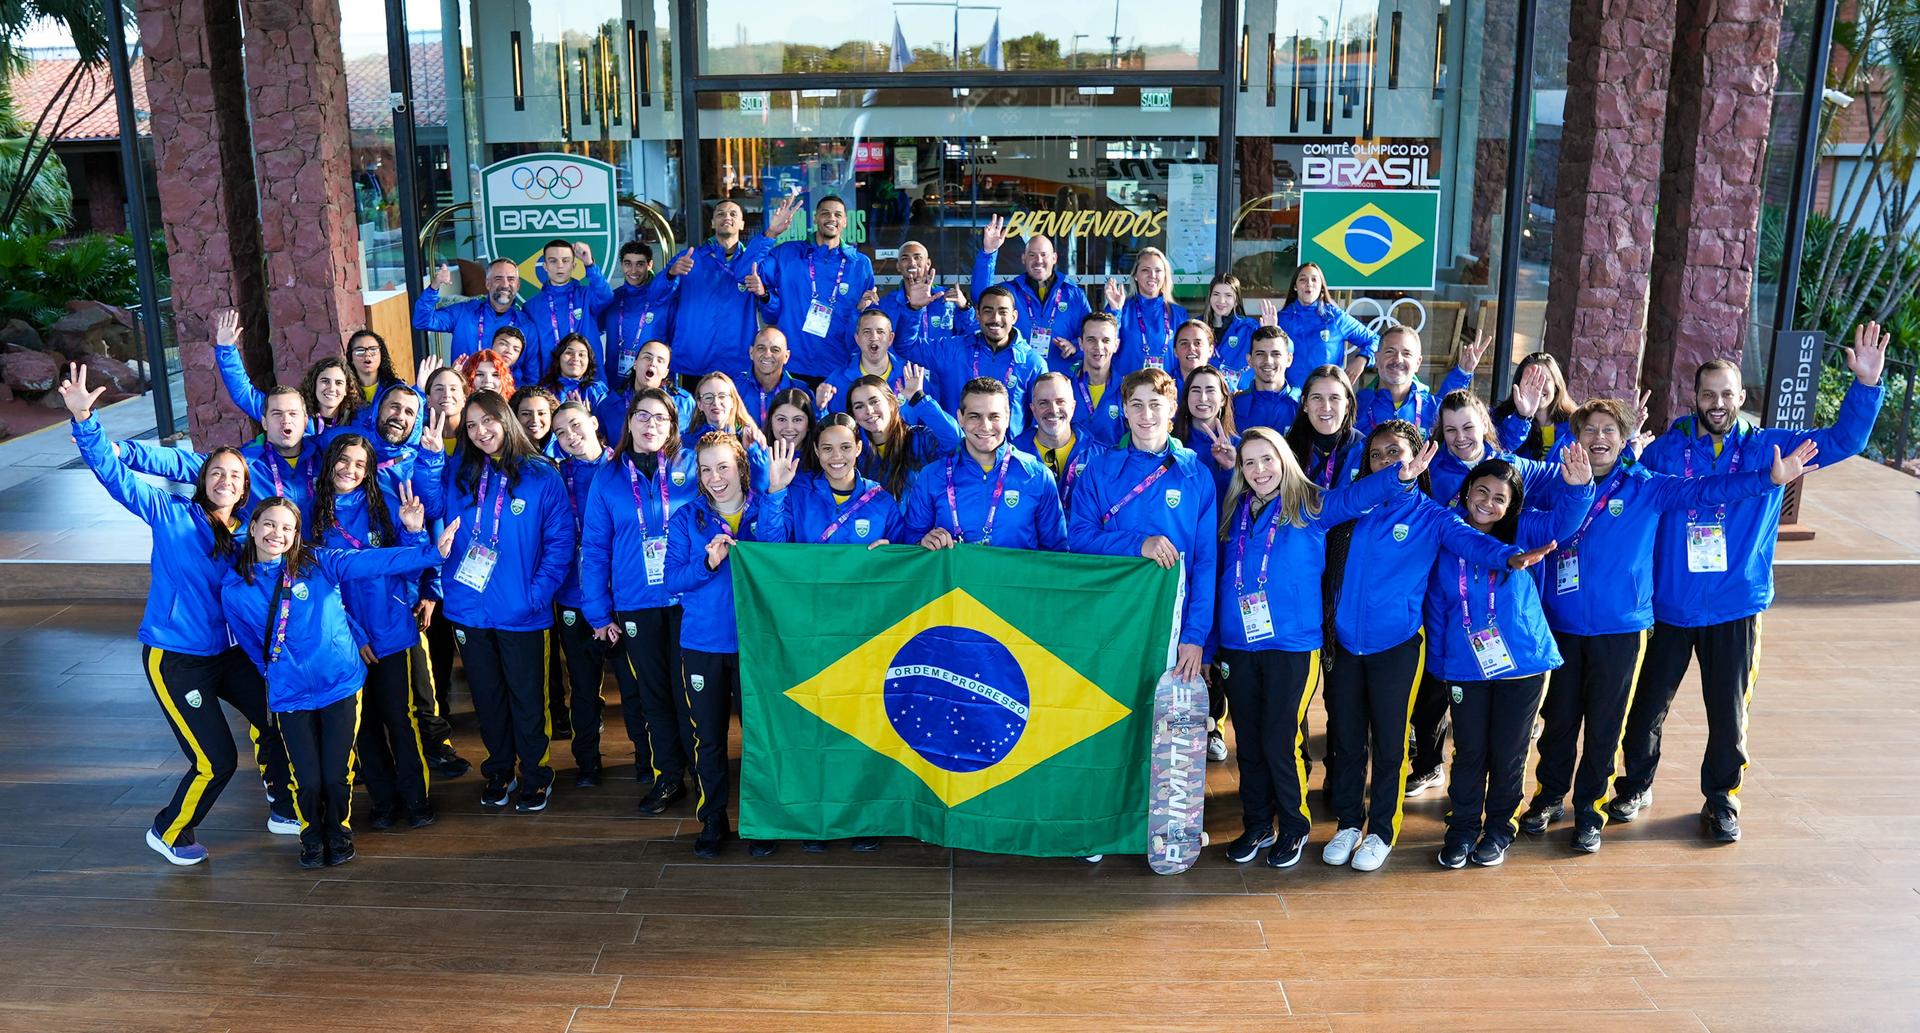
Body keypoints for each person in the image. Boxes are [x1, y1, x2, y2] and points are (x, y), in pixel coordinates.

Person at [1611, 324, 1888, 841]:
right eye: (1707, 394)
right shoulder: (1667, 451)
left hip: (1735, 606)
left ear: (1742, 397)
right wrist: (1628, 448)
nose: (1717, 403)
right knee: (1646, 706)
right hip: (1668, 605)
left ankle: (1721, 800)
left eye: (1726, 395)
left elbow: (1844, 440)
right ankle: (1634, 786)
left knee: (1728, 714)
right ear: (1695, 397)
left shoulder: (1770, 450)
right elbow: (1625, 484)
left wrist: (1866, 388)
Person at [1519, 398, 1820, 853]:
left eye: (1608, 431)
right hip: (1562, 625)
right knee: (1559, 720)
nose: (1598, 438)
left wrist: (1769, 479)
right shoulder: (1554, 484)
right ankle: (1548, 797)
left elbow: (1708, 491)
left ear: (1624, 443)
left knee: (1605, 726)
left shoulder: (1647, 487)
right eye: (1589, 430)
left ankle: (1589, 811)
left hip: (1621, 629)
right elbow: (1504, 481)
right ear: (1575, 438)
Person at [58, 364, 295, 867]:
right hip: (177, 658)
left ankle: (283, 804)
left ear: (244, 485)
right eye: (216, 473)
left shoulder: (248, 536)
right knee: (216, 761)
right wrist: (85, 421)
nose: (226, 480)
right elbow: (114, 474)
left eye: (235, 475)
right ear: (201, 479)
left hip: (227, 654)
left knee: (280, 715)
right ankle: (170, 830)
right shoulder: (169, 513)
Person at [1320, 419, 1551, 873]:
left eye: (1397, 454)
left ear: (1418, 459)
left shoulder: (1431, 515)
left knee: (1389, 744)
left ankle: (1381, 831)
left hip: (1398, 647)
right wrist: (1392, 478)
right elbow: (1327, 509)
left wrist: (1510, 557)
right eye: (1379, 454)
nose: (1388, 461)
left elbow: (1473, 541)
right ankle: (1349, 822)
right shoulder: (1351, 507)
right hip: (1344, 647)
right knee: (1346, 740)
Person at [1215, 426, 1429, 868]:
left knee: (1279, 738)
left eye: (1267, 459)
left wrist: (1398, 477)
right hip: (1239, 644)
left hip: (1293, 645)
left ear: (1284, 460)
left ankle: (1293, 825)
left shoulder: (1310, 504)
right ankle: (1257, 823)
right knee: (1249, 742)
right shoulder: (1232, 509)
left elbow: (1354, 498)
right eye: (1249, 462)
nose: (1259, 470)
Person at [222, 490, 441, 867]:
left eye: (287, 528)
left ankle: (338, 833)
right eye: (270, 524)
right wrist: (279, 675)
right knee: (306, 778)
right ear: (253, 528)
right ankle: (312, 836)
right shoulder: (235, 589)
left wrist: (428, 551)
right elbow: (252, 646)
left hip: (340, 684)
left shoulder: (319, 562)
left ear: (296, 535)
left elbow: (373, 562)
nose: (278, 533)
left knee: (337, 773)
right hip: (291, 694)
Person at [1430, 450, 1595, 868]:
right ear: (1466, 493)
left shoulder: (1524, 527)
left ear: (1512, 504)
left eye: (1499, 497)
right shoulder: (1447, 533)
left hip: (1521, 661)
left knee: (1508, 751)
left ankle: (1501, 828)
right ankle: (1463, 827)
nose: (1488, 503)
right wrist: (1438, 664)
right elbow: (1435, 605)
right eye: (1481, 492)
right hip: (1466, 663)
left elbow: (1563, 524)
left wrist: (1578, 490)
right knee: (1469, 752)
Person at [416, 389, 575, 814]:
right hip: (469, 608)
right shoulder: (459, 472)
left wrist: (536, 595)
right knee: (488, 698)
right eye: (471, 425)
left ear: (506, 419)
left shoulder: (543, 475)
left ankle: (536, 775)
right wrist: (432, 459)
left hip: (523, 611)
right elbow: (430, 506)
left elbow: (560, 543)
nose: (481, 431)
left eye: (488, 420)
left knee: (528, 699)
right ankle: (500, 770)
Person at [1404, 388, 1566, 796]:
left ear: (1484, 428)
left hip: (1501, 600)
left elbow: (1556, 480)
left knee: (1488, 717)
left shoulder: (1511, 464)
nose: (1461, 437)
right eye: (1452, 429)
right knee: (1430, 693)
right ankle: (1427, 763)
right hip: (1446, 594)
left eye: (1468, 427)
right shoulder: (1432, 469)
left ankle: (1494, 800)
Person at [306, 431, 446, 833]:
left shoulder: (384, 502)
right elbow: (319, 586)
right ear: (330, 460)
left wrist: (415, 531)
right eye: (344, 460)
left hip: (391, 628)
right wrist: (352, 633)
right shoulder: (311, 512)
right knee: (361, 725)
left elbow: (407, 562)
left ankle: (416, 798)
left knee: (400, 719)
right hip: (344, 637)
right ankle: (383, 800)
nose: (350, 469)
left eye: (360, 464)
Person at [667, 432, 794, 857]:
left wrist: (775, 494)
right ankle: (713, 819)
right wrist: (707, 562)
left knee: (759, 736)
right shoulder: (687, 518)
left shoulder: (765, 508)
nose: (715, 477)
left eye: (723, 466)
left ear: (741, 467)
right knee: (710, 739)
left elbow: (777, 556)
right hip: (703, 644)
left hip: (756, 644)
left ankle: (762, 822)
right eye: (706, 469)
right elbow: (672, 580)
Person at [581, 389, 700, 810]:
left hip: (690, 599)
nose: (651, 425)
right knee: (653, 694)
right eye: (643, 416)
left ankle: (705, 775)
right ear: (628, 422)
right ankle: (669, 776)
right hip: (636, 602)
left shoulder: (691, 465)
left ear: (673, 426)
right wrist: (597, 612)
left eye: (661, 418)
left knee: (690, 693)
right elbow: (594, 547)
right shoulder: (608, 476)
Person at [1069, 368, 1217, 688]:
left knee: (1164, 728)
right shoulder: (1099, 470)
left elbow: (1205, 564)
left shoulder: (1196, 474)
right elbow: (1079, 538)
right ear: (1124, 410)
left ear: (1172, 408)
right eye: (1136, 404)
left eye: (1155, 403)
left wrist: (1195, 636)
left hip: (1174, 622)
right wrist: (1138, 544)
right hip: (1112, 618)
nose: (1146, 414)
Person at [903, 378, 1068, 552]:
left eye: (994, 416)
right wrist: (922, 542)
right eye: (975, 416)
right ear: (960, 418)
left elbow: (1056, 554)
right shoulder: (931, 476)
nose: (985, 426)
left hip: (1016, 579)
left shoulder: (1038, 476)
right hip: (956, 579)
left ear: (1007, 417)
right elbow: (910, 541)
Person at [546, 400, 618, 787]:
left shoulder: (622, 467)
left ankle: (647, 760)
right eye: (561, 433)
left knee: (637, 685)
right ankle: (587, 760)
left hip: (621, 595)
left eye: (575, 425)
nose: (571, 436)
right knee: (583, 685)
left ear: (593, 422)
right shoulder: (559, 475)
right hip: (573, 594)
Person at [658, 194, 799, 380]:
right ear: (712, 223)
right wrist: (670, 274)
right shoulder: (689, 258)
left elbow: (772, 315)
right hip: (692, 362)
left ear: (742, 224)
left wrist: (763, 294)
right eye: (721, 214)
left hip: (737, 365)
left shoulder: (755, 262)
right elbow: (655, 297)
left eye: (733, 214)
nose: (727, 217)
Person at [895, 284, 1047, 437]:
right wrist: (913, 310)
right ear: (978, 315)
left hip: (1007, 457)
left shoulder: (1033, 363)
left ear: (1014, 317)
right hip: (956, 453)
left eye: (1003, 312)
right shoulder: (952, 350)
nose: (995, 319)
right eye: (988, 311)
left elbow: (1038, 422)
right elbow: (907, 346)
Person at [756, 194, 876, 381]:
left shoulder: (860, 265)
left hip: (838, 368)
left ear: (845, 221)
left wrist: (860, 310)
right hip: (792, 366)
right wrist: (771, 233)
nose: (831, 218)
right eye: (825, 213)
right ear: (815, 218)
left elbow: (867, 322)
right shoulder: (788, 253)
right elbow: (747, 271)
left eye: (838, 215)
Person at [971, 214, 1092, 374]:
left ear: (1054, 258)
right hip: (1018, 380)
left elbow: (1091, 335)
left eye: (1044, 255)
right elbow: (981, 297)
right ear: (1023, 259)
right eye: (1032, 255)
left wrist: (1075, 347)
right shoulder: (1010, 292)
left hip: (1060, 382)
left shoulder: (1074, 295)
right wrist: (989, 253)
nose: (1038, 260)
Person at [211, 309, 356, 434]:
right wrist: (226, 350)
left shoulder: (358, 421)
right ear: (314, 384)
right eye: (325, 381)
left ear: (346, 389)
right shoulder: (291, 413)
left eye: (339, 383)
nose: (331, 388)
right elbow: (244, 394)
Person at [844, 368, 957, 497]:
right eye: (859, 406)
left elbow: (955, 440)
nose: (869, 410)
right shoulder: (854, 452)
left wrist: (919, 399)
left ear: (892, 403)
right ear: (854, 415)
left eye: (874, 401)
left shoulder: (920, 439)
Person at [1352, 327, 1482, 434]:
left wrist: (1463, 372)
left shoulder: (1431, 407)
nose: (1398, 359)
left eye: (1406, 353)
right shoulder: (1356, 406)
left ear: (1418, 363)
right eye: (1390, 351)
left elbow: (1448, 403)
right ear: (1377, 358)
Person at [414, 257, 536, 365]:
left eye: (511, 279)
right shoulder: (464, 312)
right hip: (466, 389)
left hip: (506, 390)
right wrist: (434, 287)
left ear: (518, 285)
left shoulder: (526, 325)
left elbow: (531, 373)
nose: (505, 284)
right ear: (488, 284)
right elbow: (422, 321)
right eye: (498, 278)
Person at [523, 239, 613, 382]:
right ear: (545, 266)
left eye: (565, 261)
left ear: (574, 265)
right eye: (553, 261)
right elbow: (532, 354)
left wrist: (589, 264)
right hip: (551, 385)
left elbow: (606, 296)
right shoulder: (531, 307)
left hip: (590, 382)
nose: (560, 266)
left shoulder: (587, 296)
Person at [1277, 262, 1377, 387]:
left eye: (1314, 279)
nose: (1309, 283)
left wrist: (1363, 359)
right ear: (1295, 287)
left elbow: (1375, 340)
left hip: (1327, 399)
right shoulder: (1280, 320)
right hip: (1290, 399)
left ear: (1321, 287)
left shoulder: (1336, 318)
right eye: (1303, 279)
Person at [819, 309, 930, 415]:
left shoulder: (914, 376)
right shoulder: (838, 380)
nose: (874, 337)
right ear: (857, 339)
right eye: (867, 332)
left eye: (880, 332)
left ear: (890, 338)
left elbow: (933, 427)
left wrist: (919, 398)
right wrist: (820, 409)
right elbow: (831, 426)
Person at [1014, 372, 1095, 511]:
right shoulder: (1014, 455)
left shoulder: (1098, 456)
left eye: (1060, 401)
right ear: (1033, 409)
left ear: (1073, 406)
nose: (1053, 410)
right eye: (1043, 403)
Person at [1101, 247, 1186, 379]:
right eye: (1145, 270)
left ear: (1165, 276)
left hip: (1165, 393)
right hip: (1127, 392)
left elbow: (1185, 358)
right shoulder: (1121, 308)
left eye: (1158, 270)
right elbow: (1104, 343)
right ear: (1135, 275)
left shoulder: (1178, 314)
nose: (1152, 275)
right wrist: (1115, 310)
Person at [603, 240, 678, 387]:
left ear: (649, 265)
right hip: (615, 381)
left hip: (653, 381)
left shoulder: (664, 300)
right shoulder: (613, 298)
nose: (633, 270)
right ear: (622, 265)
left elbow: (675, 342)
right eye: (628, 263)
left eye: (640, 264)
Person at [878, 240, 974, 344]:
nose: (912, 263)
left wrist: (965, 308)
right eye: (905, 258)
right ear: (898, 266)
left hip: (940, 360)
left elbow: (971, 336)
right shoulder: (885, 304)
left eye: (917, 257)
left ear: (928, 263)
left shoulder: (947, 297)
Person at [598, 338, 696, 438]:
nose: (653, 363)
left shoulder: (684, 403)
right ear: (635, 364)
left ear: (666, 373)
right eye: (647, 357)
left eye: (660, 360)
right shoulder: (609, 406)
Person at [1492, 352, 1577, 459]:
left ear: (1556, 385)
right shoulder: (1499, 418)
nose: (1538, 386)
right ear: (1518, 385)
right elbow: (1498, 450)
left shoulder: (1577, 423)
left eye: (1545, 379)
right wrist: (1522, 416)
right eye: (1530, 380)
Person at [1201, 274, 1274, 386]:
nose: (1221, 300)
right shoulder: (1198, 327)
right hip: (1207, 392)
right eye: (1216, 294)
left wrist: (1272, 332)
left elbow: (1287, 349)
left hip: (1240, 396)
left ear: (1236, 300)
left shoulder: (1250, 328)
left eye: (1228, 295)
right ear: (1209, 297)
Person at [1067, 312, 1126, 447]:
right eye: (1091, 339)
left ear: (1116, 345)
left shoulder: (1127, 390)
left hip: (1113, 467)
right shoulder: (1064, 387)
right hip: (1070, 467)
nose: (1098, 346)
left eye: (1106, 340)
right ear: (1081, 343)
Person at [1232, 327, 1300, 433]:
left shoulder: (1303, 405)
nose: (1268, 360)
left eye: (1276, 354)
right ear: (1249, 360)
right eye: (1260, 354)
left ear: (1288, 359)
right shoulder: (1234, 406)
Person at [735, 328, 806, 426]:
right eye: (761, 348)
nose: (767, 355)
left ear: (786, 356)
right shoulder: (734, 388)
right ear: (751, 352)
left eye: (775, 350)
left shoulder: (801, 391)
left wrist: (820, 408)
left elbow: (814, 429)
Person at [541, 333, 610, 411]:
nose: (575, 358)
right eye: (569, 353)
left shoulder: (597, 391)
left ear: (589, 361)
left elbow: (607, 421)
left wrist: (586, 417)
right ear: (558, 358)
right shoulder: (544, 392)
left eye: (581, 354)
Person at [345, 329, 405, 405]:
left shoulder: (396, 387)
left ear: (381, 355)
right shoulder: (343, 390)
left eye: (373, 350)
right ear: (351, 358)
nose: (367, 354)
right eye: (360, 351)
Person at [762, 388, 817, 458]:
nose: (789, 428)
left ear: (809, 424)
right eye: (781, 419)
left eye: (797, 420)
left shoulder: (822, 459)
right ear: (770, 423)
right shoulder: (757, 460)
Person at [513, 385, 562, 459]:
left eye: (541, 413)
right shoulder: (508, 455)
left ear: (552, 415)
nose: (535, 420)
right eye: (526, 414)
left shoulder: (565, 447)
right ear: (514, 416)